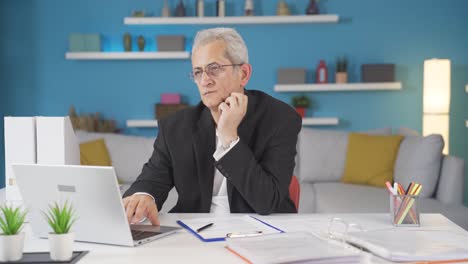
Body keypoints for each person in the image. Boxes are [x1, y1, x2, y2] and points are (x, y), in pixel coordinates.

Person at [123, 27, 301, 226]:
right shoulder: (175, 127)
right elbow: (151, 180)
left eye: (214, 68)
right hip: (195, 233)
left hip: (261, 231)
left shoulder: (280, 119)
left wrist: (229, 137)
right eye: (198, 72)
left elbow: (267, 202)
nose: (205, 81)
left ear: (243, 74)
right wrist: (143, 195)